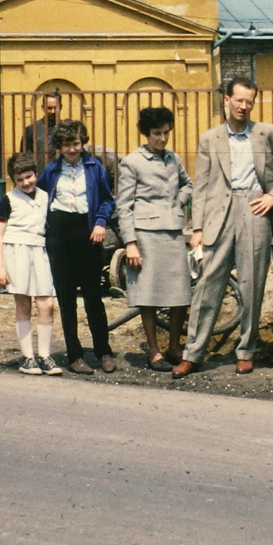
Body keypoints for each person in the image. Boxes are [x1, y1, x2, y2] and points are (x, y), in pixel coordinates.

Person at [172, 77, 273, 378]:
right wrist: (198, 229)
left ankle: (246, 350)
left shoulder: (268, 134)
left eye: (249, 101)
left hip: (255, 210)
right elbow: (201, 186)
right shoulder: (209, 138)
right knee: (206, 286)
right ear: (226, 100)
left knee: (251, 285)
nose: (243, 106)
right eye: (238, 100)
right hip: (219, 215)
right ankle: (193, 353)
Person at [115, 105, 194, 371]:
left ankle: (173, 346)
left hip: (172, 233)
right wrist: (130, 243)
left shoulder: (174, 159)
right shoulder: (132, 162)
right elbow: (123, 206)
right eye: (156, 133)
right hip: (145, 236)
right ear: (146, 133)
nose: (162, 138)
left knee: (180, 294)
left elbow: (188, 184)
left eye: (166, 133)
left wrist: (178, 202)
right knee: (147, 294)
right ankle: (153, 351)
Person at [39, 119, 117, 374]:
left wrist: (100, 223)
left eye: (76, 143)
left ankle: (103, 352)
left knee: (94, 297)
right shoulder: (51, 171)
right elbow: (40, 201)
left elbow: (106, 200)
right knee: (67, 298)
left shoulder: (95, 168)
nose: (72, 150)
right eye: (66, 145)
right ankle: (74, 356)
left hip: (87, 233)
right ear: (58, 147)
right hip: (60, 234)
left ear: (82, 143)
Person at [0, 151, 62, 375]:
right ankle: (27, 358)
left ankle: (45, 355)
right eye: (20, 179)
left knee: (46, 304)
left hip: (39, 253)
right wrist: (0, 267)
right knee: (23, 305)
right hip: (16, 253)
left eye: (29, 177)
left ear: (36, 174)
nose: (25, 182)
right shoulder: (9, 199)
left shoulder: (45, 196)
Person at [19, 90, 62, 160]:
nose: (53, 111)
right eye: (49, 108)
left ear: (61, 107)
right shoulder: (31, 130)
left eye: (56, 108)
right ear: (43, 107)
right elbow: (24, 158)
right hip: (39, 170)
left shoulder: (66, 129)